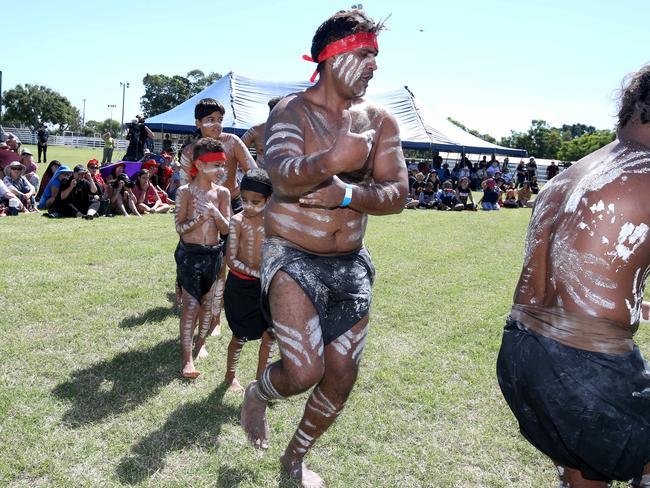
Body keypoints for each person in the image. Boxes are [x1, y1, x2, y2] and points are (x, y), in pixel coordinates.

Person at [239, 9, 408, 487]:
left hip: (351, 262)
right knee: (304, 369)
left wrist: (349, 192)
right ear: (335, 58)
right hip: (292, 256)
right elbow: (284, 176)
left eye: (376, 56)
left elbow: (398, 194)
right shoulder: (291, 111)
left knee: (340, 376)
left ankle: (294, 457)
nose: (374, 66)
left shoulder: (381, 121)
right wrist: (332, 160)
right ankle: (260, 391)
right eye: (366, 55)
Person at [497, 64, 650, 488]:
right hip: (587, 367)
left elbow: (578, 275)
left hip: (522, 355)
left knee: (586, 465)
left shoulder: (569, 174)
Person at [181, 98, 258, 336]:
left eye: (220, 120)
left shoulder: (232, 142)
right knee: (202, 261)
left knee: (226, 261)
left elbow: (254, 171)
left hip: (232, 205)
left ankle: (216, 318)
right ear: (198, 123)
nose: (217, 125)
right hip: (201, 208)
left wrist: (249, 201)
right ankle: (194, 302)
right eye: (210, 120)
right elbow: (184, 184)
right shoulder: (190, 151)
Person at [174, 137, 231, 379]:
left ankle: (201, 342)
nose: (221, 170)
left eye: (222, 165)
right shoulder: (184, 192)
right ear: (199, 164)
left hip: (213, 255)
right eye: (215, 165)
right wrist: (198, 219)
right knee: (190, 305)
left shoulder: (223, 193)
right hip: (190, 255)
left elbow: (227, 229)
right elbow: (179, 228)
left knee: (208, 304)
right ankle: (187, 360)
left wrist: (215, 213)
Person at [223, 169, 276, 392]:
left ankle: (261, 382)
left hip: (267, 288)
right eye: (244, 200)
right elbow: (231, 260)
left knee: (270, 335)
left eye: (256, 202)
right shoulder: (237, 221)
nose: (248, 206)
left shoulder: (275, 223)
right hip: (240, 287)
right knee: (240, 336)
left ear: (269, 199)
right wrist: (257, 274)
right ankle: (230, 375)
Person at [241, 97, 282, 168]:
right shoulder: (255, 130)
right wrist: (248, 170)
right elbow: (238, 150)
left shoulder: (295, 132)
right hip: (261, 176)